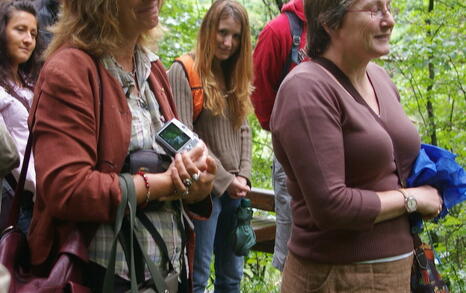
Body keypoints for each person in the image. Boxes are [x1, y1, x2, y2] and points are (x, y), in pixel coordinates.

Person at [27, 0, 216, 291]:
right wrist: (162, 185)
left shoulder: (152, 68)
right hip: (102, 277)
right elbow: (66, 188)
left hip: (168, 276)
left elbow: (174, 163)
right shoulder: (69, 71)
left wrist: (196, 181)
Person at [270, 0, 443, 292]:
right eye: (374, 10)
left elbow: (391, 167)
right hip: (339, 277)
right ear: (330, 21)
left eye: (389, 8)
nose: (388, 20)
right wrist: (412, 198)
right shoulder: (306, 89)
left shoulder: (379, 77)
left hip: (401, 270)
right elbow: (331, 205)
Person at [168, 1, 253, 292]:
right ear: (208, 30)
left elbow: (244, 128)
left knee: (232, 278)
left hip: (235, 191)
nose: (228, 42)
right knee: (198, 277)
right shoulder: (185, 71)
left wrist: (243, 175)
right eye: (222, 32)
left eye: (236, 36)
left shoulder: (233, 72)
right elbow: (182, 139)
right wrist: (226, 181)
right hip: (203, 191)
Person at [251, 0, 307, 272]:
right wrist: (283, 130)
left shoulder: (337, 26)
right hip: (291, 157)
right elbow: (258, 89)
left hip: (337, 158)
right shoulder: (278, 30)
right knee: (292, 251)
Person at [0, 0, 43, 233]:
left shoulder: (31, 84)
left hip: (39, 202)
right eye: (20, 30)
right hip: (16, 203)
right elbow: (13, 157)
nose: (28, 39)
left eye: (33, 33)